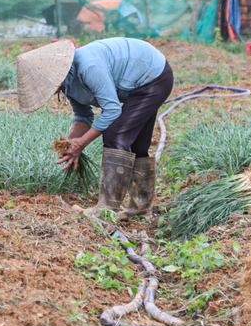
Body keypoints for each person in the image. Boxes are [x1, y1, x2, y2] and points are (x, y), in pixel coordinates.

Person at [16, 37, 174, 220]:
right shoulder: (68, 82)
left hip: (153, 77)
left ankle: (106, 208)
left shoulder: (88, 67)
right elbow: (84, 117)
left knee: (115, 135)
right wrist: (69, 144)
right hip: (140, 84)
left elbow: (112, 109)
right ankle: (140, 210)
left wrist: (82, 143)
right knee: (137, 145)